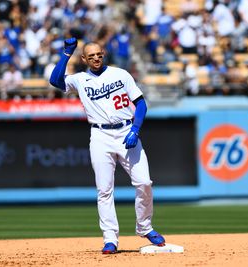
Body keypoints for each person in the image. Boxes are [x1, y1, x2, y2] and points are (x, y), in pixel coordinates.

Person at [49, 38, 165, 254]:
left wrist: (135, 130)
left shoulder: (120, 74)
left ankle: (145, 227)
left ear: (103, 54)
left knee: (144, 182)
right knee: (104, 190)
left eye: (98, 54)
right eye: (91, 56)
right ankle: (110, 238)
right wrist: (66, 53)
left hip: (126, 131)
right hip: (100, 135)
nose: (95, 58)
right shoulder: (80, 79)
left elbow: (141, 104)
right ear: (84, 59)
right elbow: (55, 81)